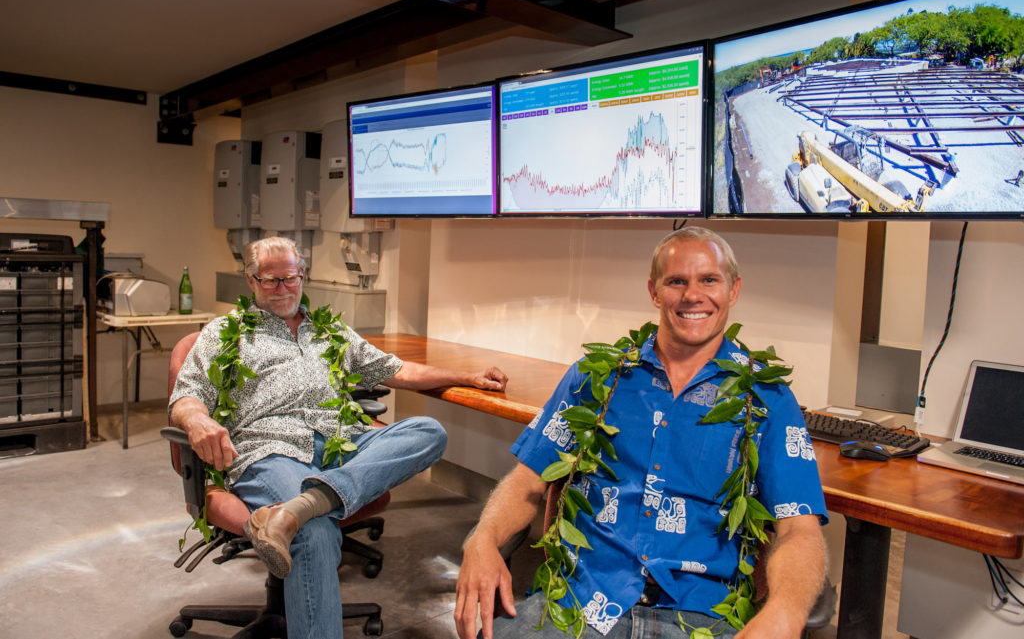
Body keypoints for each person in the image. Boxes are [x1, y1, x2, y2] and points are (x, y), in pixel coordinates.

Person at [455, 227, 827, 639]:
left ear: (734, 290)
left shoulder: (766, 399)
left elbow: (799, 528)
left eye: (709, 280)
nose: (692, 295)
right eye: (676, 281)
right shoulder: (596, 379)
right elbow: (527, 479)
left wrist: (786, 610)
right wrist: (484, 540)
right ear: (654, 291)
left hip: (699, 616)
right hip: (580, 604)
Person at [170, 236, 508, 639]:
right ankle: (307, 513)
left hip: (340, 445)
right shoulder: (225, 332)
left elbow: (395, 371)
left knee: (427, 431)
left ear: (303, 276)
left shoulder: (328, 331)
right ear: (251, 281)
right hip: (270, 450)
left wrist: (465, 377)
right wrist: (196, 421)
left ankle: (302, 506)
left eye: (290, 279)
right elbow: (186, 395)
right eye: (270, 280)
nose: (283, 289)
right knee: (313, 533)